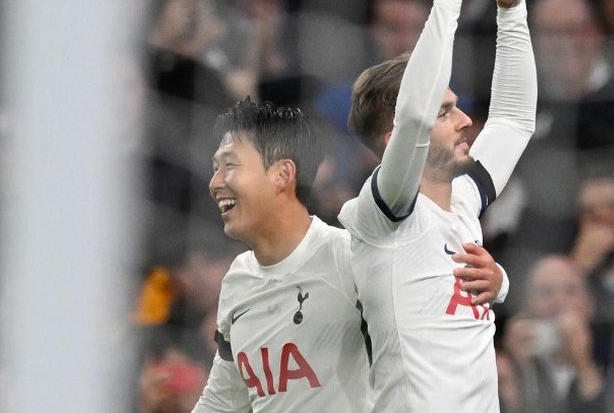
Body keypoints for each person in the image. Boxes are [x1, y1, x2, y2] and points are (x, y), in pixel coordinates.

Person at [193, 97, 507, 411]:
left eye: (229, 165)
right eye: (215, 168)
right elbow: (221, 402)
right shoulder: (238, 281)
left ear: (282, 174)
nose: (214, 183)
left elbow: (439, 317)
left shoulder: (353, 258)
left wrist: (499, 282)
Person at [338, 0, 535, 411]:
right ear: (394, 140)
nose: (466, 120)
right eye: (445, 111)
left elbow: (512, 119)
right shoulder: (384, 214)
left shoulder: (465, 201)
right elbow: (414, 114)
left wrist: (511, 9)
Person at [502, 255, 607, 413]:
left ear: (590, 305)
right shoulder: (505, 362)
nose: (558, 302)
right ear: (525, 305)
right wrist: (518, 367)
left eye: (570, 291)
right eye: (545, 292)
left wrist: (584, 367)